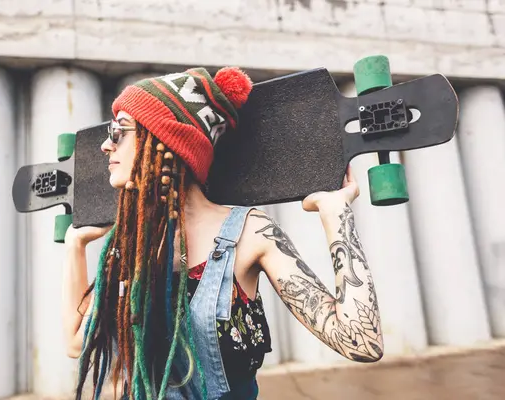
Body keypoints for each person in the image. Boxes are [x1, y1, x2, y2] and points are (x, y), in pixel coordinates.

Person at [62, 66, 384, 400]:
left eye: (119, 131)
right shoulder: (134, 245)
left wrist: (336, 214)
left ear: (164, 140)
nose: (105, 145)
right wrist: (75, 246)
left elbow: (361, 341)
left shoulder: (250, 233)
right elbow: (76, 343)